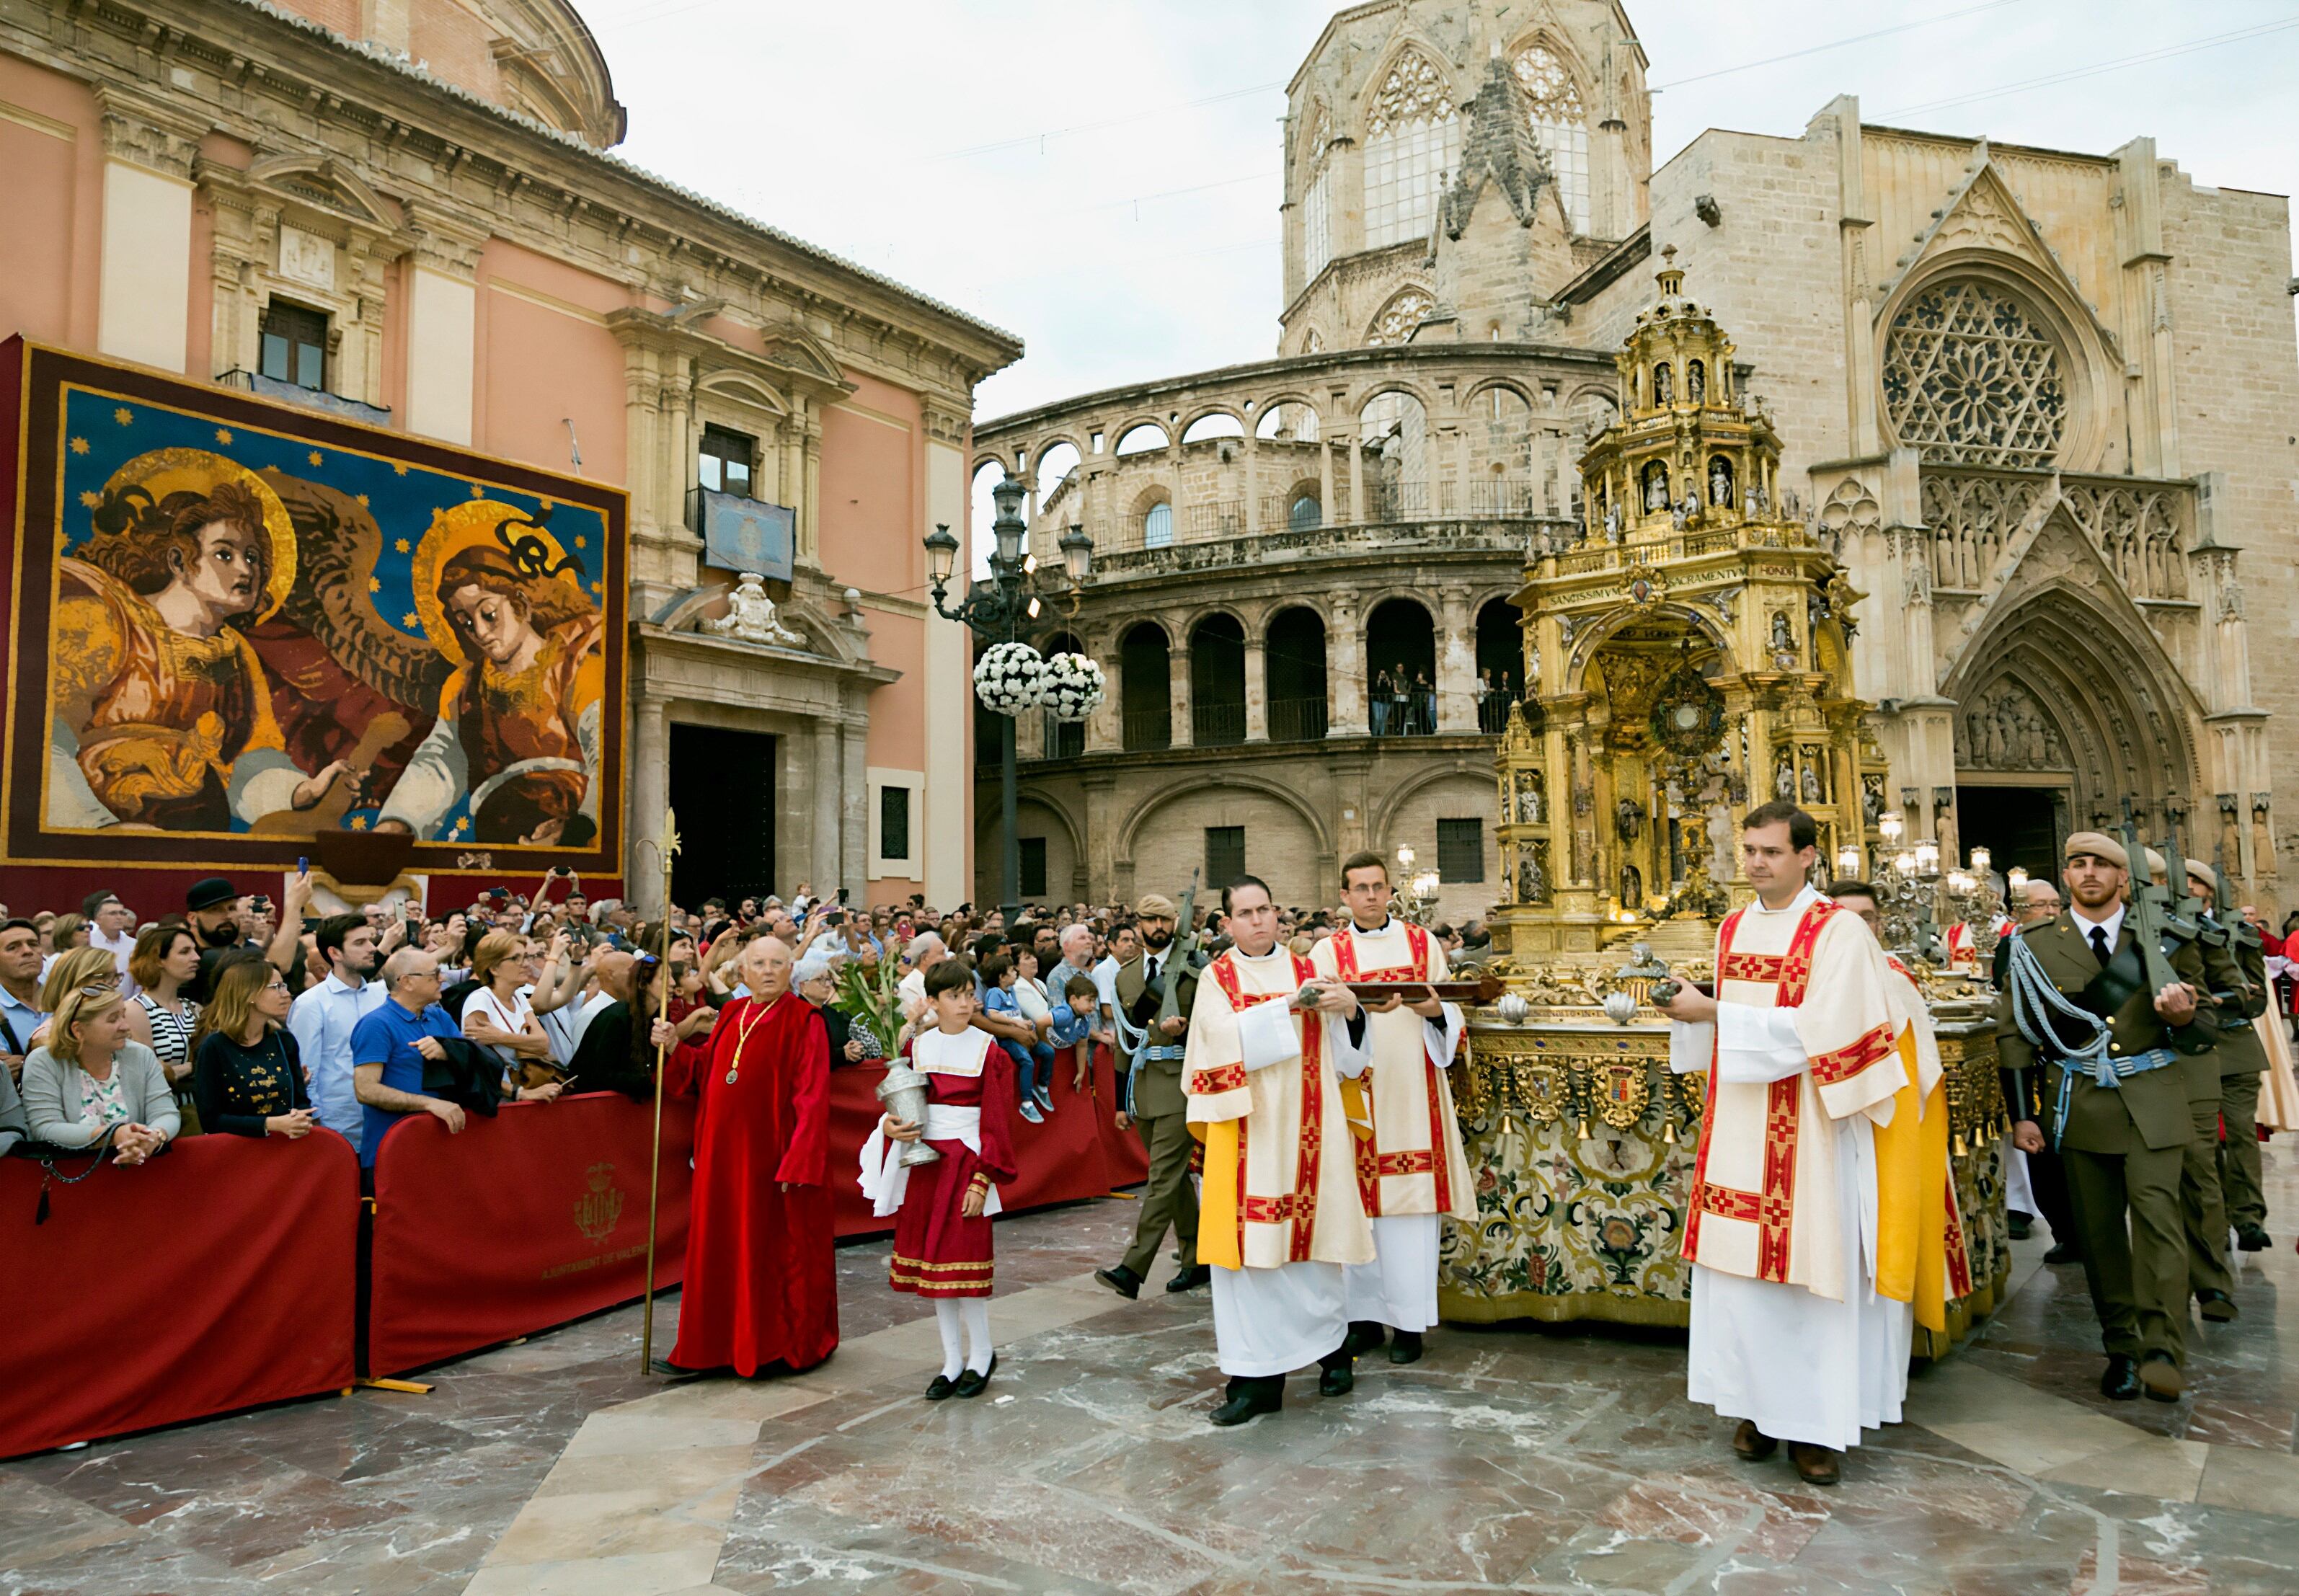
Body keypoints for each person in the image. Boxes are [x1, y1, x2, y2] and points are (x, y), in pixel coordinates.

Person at [1655, 803, 1914, 1486]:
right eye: (1748, 850)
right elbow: (1731, 1025)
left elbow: (1831, 1030)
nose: (1756, 863)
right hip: (1740, 1125)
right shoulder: (1733, 926)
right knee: (1740, 1279)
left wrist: (1717, 1013)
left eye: (1770, 851)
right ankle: (1755, 1408)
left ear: (1806, 856)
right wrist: (1693, 1007)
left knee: (1808, 1283)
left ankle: (1814, 1426)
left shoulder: (1839, 932)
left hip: (1813, 1131)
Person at [1997, 832, 2212, 1402]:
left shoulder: (2164, 937)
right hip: (2080, 1104)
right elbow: (2014, 1031)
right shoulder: (2034, 944)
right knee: (2099, 1238)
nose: (2088, 872)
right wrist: (2023, 1115)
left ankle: (2163, 1347)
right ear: (2065, 876)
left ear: (2123, 877)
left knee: (2159, 1226)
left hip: (2152, 1099)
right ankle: (2122, 1347)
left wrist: (2187, 1017)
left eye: (2101, 864)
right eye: (2076, 864)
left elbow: (2209, 1024)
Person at [1185, 876, 1376, 1426]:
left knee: (1315, 1256)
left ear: (1277, 914)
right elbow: (1211, 1048)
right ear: (1226, 924)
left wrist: (1350, 1010)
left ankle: (1333, 1354)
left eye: (1265, 909)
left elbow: (1349, 1061)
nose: (1258, 921)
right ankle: (1254, 1382)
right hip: (1248, 1134)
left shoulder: (1308, 969)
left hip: (1314, 1130)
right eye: (1244, 913)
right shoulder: (1215, 978)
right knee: (1250, 1264)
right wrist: (1285, 1008)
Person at [1311, 852, 1476, 1368]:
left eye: (1377, 886)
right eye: (1359, 888)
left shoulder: (1420, 942)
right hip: (1355, 1099)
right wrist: (1349, 1013)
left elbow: (1446, 1005)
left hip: (1412, 1097)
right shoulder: (1325, 952)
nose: (1369, 896)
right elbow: (1314, 1025)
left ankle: (1409, 1324)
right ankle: (1362, 1321)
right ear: (1344, 896)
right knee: (1359, 1214)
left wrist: (1434, 1012)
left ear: (1389, 890)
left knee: (1411, 1217)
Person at [663, 935, 836, 1378]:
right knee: (721, 1250)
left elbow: (812, 1097)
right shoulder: (732, 1013)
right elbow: (706, 1069)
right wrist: (673, 1047)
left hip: (770, 1160)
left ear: (789, 970)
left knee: (769, 1252)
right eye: (759, 963)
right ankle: (714, 1346)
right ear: (743, 972)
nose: (768, 970)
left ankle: (772, 1347)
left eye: (778, 963)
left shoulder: (805, 1020)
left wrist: (798, 1161)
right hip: (722, 1159)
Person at [1825, 880, 1976, 1380]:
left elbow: (1917, 1077)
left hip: (1883, 1134)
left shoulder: (1894, 981)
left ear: (1879, 924)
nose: (1854, 929)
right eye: (1840, 917)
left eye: (1863, 918)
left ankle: (1879, 1371)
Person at [861, 956, 1018, 1398]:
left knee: (964, 1267)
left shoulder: (990, 1050)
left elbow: (998, 1122)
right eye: (954, 996)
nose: (966, 1003)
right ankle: (951, 1360)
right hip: (928, 1163)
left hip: (968, 1162)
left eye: (970, 994)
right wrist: (891, 1127)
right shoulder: (918, 1047)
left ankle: (982, 1354)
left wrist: (982, 1179)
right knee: (937, 1270)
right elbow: (903, 1102)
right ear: (932, 1001)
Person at [1097, 894, 1205, 1300]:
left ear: (1175, 922)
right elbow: (1125, 1042)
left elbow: (1217, 1023)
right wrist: (1122, 1102)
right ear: (1138, 924)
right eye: (1150, 920)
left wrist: (1188, 1027)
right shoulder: (1126, 977)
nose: (1158, 926)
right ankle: (1198, 1259)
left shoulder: (1197, 968)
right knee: (1173, 1181)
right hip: (1143, 1086)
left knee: (1160, 1178)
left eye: (1165, 919)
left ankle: (1133, 1267)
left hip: (1181, 1082)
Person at [2180, 859, 2272, 1298]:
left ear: (2211, 892)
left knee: (2239, 1133)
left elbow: (2256, 997)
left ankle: (2249, 1217)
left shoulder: (2241, 934)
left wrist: (2212, 1000)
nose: (2189, 889)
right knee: (2202, 1147)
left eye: (2196, 883)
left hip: (2234, 1045)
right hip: (2189, 1052)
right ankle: (2212, 1228)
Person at [22, 986, 178, 1163]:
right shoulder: (43, 1061)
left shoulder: (141, 1055)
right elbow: (45, 1128)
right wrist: (111, 1135)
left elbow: (167, 1113)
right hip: (69, 1174)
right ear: (78, 1030)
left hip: (136, 1172)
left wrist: (153, 1137)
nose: (125, 1027)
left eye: (123, 1016)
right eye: (113, 1020)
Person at [350, 948, 469, 1171]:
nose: (442, 979)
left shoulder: (439, 1016)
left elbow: (472, 1059)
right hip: (394, 1152)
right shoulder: (376, 1024)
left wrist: (448, 1052)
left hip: (441, 1146)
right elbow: (365, 1090)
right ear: (407, 982)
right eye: (434, 974)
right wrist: (429, 1104)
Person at [288, 913, 389, 1142]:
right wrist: (315, 1121)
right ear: (335, 953)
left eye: (370, 940)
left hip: (382, 1119)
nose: (372, 948)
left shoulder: (382, 995)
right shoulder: (311, 1003)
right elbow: (305, 1070)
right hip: (336, 1126)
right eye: (360, 943)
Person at [190, 957, 314, 1139]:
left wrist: (300, 1117)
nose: (286, 994)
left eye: (284, 986)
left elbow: (301, 1101)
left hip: (286, 1148)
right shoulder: (215, 1046)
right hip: (237, 1153)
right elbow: (210, 1119)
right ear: (249, 994)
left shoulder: (284, 1040)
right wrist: (269, 1124)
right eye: (276, 987)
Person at [123, 923, 203, 1124]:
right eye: (185, 952)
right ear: (158, 959)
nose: (196, 958)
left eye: (195, 950)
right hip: (159, 1117)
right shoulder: (136, 1010)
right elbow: (145, 1074)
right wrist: (193, 1068)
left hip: (199, 1112)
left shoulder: (195, 1009)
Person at [460, 930, 555, 1091]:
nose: (525, 964)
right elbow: (476, 1065)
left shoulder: (518, 997)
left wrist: (501, 1037)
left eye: (524, 957)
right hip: (500, 1098)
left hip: (525, 1089)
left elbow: (543, 1044)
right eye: (515, 958)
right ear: (494, 969)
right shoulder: (479, 1000)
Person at [0, 918, 47, 1085]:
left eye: (33, 944)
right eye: (13, 947)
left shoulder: (65, 998)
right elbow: (6, 1068)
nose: (27, 951)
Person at [84, 890, 138, 992]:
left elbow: (138, 979)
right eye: (113, 913)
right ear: (98, 919)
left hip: (128, 1002)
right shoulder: (88, 941)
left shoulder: (134, 944)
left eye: (122, 913)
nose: (119, 917)